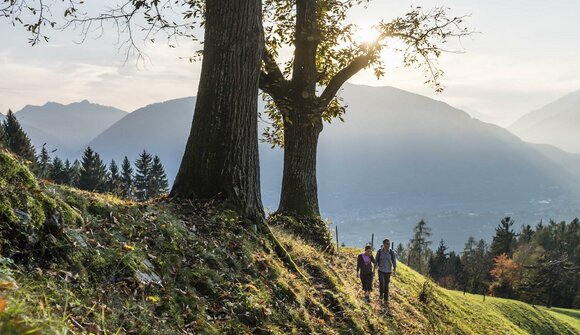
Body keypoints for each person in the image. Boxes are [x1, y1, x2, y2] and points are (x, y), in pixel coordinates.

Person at [376, 238, 397, 304]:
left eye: (389, 244)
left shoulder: (391, 252)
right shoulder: (379, 251)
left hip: (388, 271)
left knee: (386, 285)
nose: (388, 245)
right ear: (384, 244)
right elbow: (376, 260)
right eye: (387, 244)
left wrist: (394, 270)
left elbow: (394, 261)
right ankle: (381, 295)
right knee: (382, 283)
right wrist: (375, 268)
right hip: (381, 270)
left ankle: (386, 299)